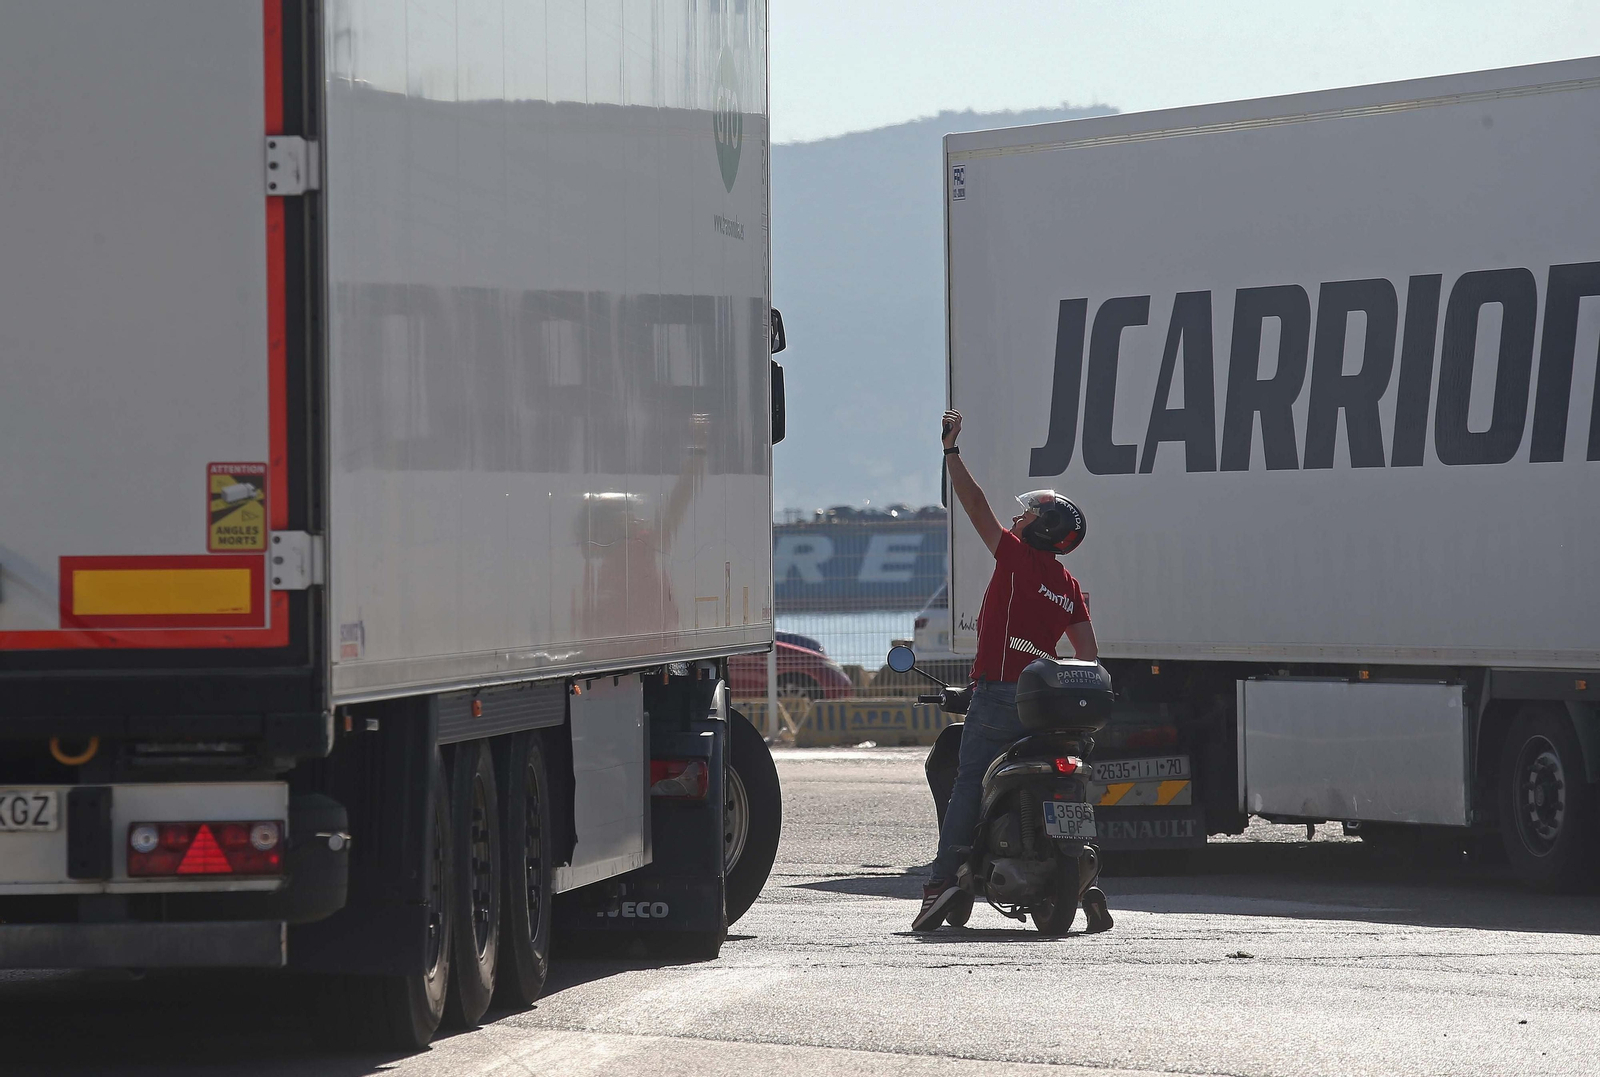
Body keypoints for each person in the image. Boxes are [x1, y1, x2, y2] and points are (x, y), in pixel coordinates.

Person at [912, 409, 1105, 932]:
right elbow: (1087, 654)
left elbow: (973, 506)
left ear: (1038, 528)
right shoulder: (1067, 585)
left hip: (999, 696)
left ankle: (944, 880)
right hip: (1052, 712)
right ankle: (1087, 886)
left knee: (968, 781)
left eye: (1026, 515)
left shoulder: (1017, 558)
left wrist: (951, 453)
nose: (1017, 519)